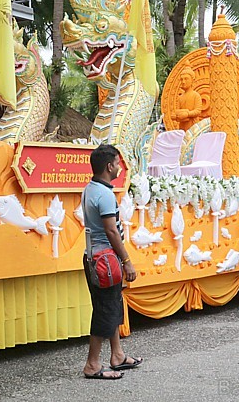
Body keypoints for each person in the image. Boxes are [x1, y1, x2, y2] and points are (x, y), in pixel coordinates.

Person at [81, 144, 142, 380]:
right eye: (117, 163)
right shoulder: (104, 194)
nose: (119, 168)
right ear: (109, 166)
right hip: (105, 258)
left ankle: (117, 355)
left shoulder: (91, 188)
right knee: (105, 310)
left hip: (95, 257)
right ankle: (92, 365)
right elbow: (111, 231)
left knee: (112, 305)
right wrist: (127, 260)